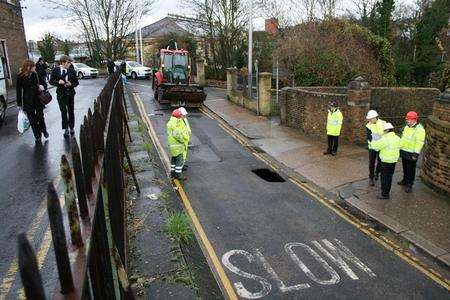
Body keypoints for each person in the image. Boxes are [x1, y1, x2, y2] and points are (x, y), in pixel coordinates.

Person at [16, 59, 48, 143]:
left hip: (38, 99)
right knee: (32, 121)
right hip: (27, 101)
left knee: (40, 117)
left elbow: (44, 84)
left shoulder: (36, 74)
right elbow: (18, 91)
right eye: (33, 66)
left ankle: (44, 130)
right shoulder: (20, 76)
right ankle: (37, 136)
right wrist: (19, 104)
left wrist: (42, 86)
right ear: (28, 67)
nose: (35, 67)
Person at [49, 55, 79, 138]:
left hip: (70, 93)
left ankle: (71, 127)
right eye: (68, 62)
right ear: (62, 62)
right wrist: (58, 82)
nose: (69, 64)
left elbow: (76, 83)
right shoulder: (56, 70)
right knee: (63, 111)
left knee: (71, 111)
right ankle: (66, 128)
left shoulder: (72, 71)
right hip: (61, 94)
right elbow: (51, 81)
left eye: (70, 62)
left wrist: (71, 84)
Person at [371, 122, 401, 199]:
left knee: (384, 177)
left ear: (387, 130)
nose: (383, 132)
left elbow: (375, 147)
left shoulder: (385, 139)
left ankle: (384, 194)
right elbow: (400, 146)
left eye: (384, 130)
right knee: (389, 176)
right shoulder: (397, 138)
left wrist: (375, 139)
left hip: (385, 161)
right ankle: (387, 191)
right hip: (393, 161)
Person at [398, 111, 426, 193]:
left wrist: (416, 154)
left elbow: (419, 142)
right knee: (405, 167)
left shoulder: (420, 129)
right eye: (407, 119)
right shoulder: (407, 127)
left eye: (409, 119)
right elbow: (403, 138)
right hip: (404, 151)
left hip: (412, 153)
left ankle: (409, 184)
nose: (407, 121)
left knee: (411, 169)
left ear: (414, 120)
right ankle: (405, 180)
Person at [167, 109, 190, 180]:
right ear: (177, 117)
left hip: (173, 145)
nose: (180, 118)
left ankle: (173, 172)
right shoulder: (174, 124)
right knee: (179, 160)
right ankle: (179, 175)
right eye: (180, 116)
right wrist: (183, 140)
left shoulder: (170, 122)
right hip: (177, 146)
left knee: (174, 159)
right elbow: (177, 135)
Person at [366, 110, 386, 186]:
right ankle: (371, 177)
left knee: (380, 161)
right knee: (371, 162)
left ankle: (377, 173)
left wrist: (379, 138)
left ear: (375, 117)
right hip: (372, 147)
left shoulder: (383, 123)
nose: (369, 120)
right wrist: (379, 138)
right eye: (369, 119)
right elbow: (369, 137)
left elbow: (386, 134)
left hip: (381, 146)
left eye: (371, 118)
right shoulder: (368, 125)